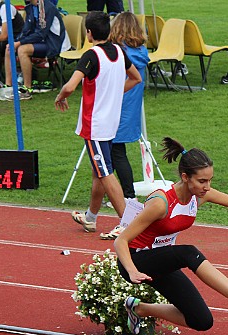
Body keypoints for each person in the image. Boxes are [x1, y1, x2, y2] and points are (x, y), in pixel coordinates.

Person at [113, 137, 228, 334]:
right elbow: (121, 240)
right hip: (135, 261)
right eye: (202, 181)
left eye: (210, 180)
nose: (208, 187)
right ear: (185, 177)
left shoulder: (200, 196)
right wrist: (132, 271)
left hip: (162, 260)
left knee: (201, 321)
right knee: (188, 253)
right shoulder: (161, 203)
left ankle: (137, 308)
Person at [54, 10, 141, 234]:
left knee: (105, 172)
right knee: (98, 170)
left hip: (95, 125)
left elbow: (71, 85)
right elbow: (136, 78)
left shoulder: (91, 55)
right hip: (110, 123)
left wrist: (61, 96)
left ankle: (128, 222)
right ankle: (91, 218)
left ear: (89, 33)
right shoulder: (120, 52)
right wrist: (114, 93)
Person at [98, 10, 149, 240]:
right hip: (131, 107)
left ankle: (128, 198)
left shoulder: (121, 54)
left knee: (115, 152)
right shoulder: (141, 51)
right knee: (117, 152)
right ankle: (124, 197)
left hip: (118, 106)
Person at [3, 0, 69, 100]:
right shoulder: (30, 7)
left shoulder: (47, 8)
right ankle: (8, 86)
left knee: (22, 50)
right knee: (9, 48)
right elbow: (26, 30)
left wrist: (19, 43)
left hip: (53, 43)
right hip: (40, 41)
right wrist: (15, 42)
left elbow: (41, 34)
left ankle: (27, 89)